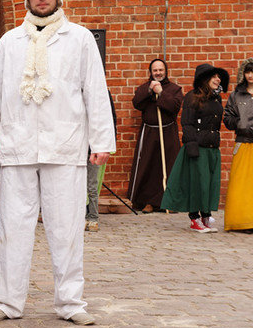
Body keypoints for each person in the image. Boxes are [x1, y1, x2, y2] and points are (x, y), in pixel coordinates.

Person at [0, 0, 116, 326]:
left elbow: (95, 91)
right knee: (12, 226)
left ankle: (70, 302)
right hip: (18, 144)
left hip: (65, 144)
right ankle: (7, 300)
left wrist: (101, 140)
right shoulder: (9, 42)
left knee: (66, 225)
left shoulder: (80, 39)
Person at [161, 64, 229, 233]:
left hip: (213, 147)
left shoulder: (217, 98)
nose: (217, 79)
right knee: (197, 184)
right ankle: (194, 218)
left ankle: (206, 215)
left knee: (210, 184)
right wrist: (191, 145)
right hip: (197, 148)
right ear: (204, 79)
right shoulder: (192, 97)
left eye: (219, 77)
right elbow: (187, 123)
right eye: (213, 76)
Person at [128, 59, 183, 213]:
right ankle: (148, 201)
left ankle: (168, 201)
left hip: (168, 132)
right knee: (149, 166)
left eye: (160, 70)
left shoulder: (174, 89)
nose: (158, 73)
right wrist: (150, 91)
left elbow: (174, 106)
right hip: (150, 132)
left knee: (169, 166)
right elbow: (137, 103)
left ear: (165, 71)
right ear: (151, 72)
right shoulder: (144, 88)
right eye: (155, 70)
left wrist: (161, 93)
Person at [223, 58, 253, 233]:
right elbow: (227, 117)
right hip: (243, 142)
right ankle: (241, 221)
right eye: (248, 71)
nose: (250, 75)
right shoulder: (236, 95)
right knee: (240, 184)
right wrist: (239, 122)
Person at [85, 91, 117, 232]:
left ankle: (92, 217)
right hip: (76, 143)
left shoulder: (102, 93)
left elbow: (110, 119)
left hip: (93, 146)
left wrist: (107, 143)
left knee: (92, 184)